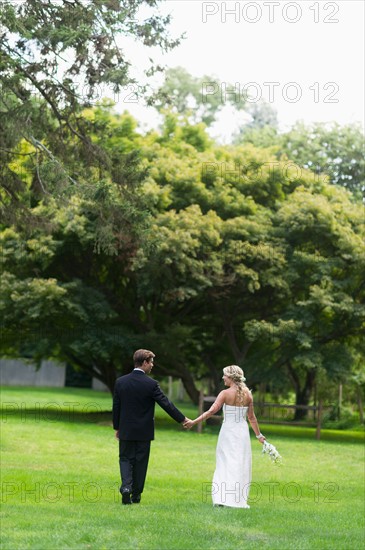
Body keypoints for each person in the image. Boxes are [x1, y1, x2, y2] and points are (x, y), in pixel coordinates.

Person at [112, 349, 190, 505]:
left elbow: (116, 406)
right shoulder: (151, 384)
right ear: (145, 362)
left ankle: (126, 487)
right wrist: (182, 419)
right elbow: (166, 404)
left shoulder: (121, 382)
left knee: (125, 458)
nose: (153, 365)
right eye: (152, 362)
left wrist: (117, 427)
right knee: (141, 462)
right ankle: (136, 495)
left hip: (126, 429)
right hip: (144, 431)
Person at [185, 365, 265, 508]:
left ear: (231, 377)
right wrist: (258, 435)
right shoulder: (248, 394)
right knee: (239, 463)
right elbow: (252, 418)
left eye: (225, 376)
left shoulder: (224, 393)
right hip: (242, 433)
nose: (223, 378)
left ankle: (222, 498)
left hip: (228, 432)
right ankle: (236, 499)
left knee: (225, 463)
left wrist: (194, 422)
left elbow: (210, 412)